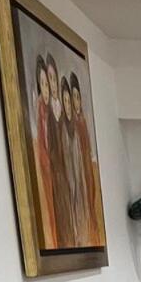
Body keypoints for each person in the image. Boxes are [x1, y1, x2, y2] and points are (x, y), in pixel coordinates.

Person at [69, 73, 102, 246]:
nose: (75, 102)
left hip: (85, 171)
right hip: (75, 171)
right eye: (72, 97)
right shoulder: (70, 123)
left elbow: (87, 150)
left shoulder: (82, 122)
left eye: (77, 97)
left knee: (88, 200)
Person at [45, 55, 72, 247]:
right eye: (49, 80)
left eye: (54, 79)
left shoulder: (64, 119)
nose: (52, 85)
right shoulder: (45, 112)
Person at [31, 55, 57, 247]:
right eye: (44, 84)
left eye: (49, 83)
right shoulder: (41, 109)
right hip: (46, 167)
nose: (48, 89)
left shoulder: (54, 113)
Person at [59, 77, 87, 247]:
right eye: (66, 101)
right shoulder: (62, 128)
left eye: (72, 100)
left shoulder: (77, 127)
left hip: (78, 176)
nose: (70, 105)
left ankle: (80, 234)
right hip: (68, 178)